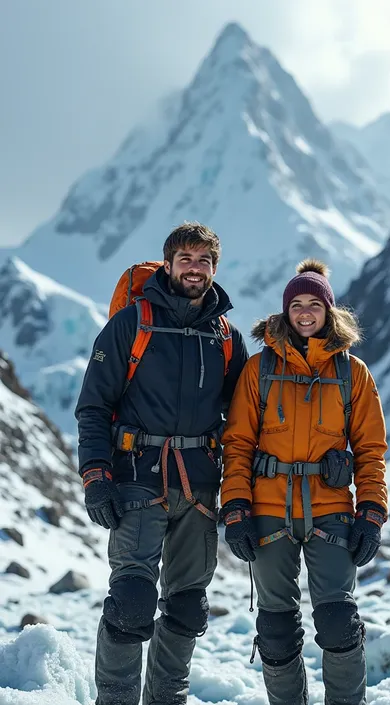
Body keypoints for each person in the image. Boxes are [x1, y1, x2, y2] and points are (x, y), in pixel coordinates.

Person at [75, 222, 248, 705]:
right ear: (167, 264)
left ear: (215, 269)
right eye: (186, 260)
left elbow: (244, 424)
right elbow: (93, 406)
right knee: (131, 604)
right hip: (135, 479)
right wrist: (95, 474)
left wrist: (241, 496)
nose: (195, 269)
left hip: (199, 486)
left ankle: (165, 699)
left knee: (188, 608)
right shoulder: (130, 324)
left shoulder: (227, 336)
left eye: (204, 261)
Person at [220, 259, 388, 705]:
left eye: (315, 304)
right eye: (298, 304)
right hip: (268, 511)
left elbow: (371, 450)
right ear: (286, 311)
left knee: (338, 621)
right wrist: (235, 506)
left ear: (329, 311)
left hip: (331, 510)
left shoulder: (353, 373)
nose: (306, 312)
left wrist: (371, 511)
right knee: (275, 629)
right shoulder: (258, 370)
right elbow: (236, 443)